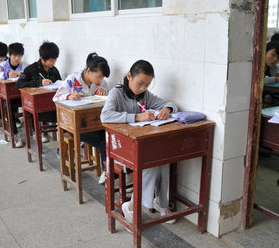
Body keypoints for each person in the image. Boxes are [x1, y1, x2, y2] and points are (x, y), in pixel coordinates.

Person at [101, 60, 177, 224]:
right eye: (140, 83)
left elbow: (168, 103)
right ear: (129, 76)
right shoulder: (116, 93)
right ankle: (132, 207)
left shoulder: (144, 96)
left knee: (163, 159)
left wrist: (167, 109)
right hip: (119, 146)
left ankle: (160, 203)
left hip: (138, 144)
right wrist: (136, 117)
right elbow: (105, 116)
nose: (142, 88)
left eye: (147, 85)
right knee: (149, 163)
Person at [54, 52, 110, 183]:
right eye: (99, 76)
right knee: (105, 140)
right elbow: (56, 97)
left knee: (108, 135)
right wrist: (68, 96)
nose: (100, 80)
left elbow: (107, 101)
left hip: (95, 123)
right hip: (75, 125)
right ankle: (107, 172)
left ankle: (106, 171)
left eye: (102, 77)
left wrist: (103, 94)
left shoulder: (102, 83)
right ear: (89, 71)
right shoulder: (73, 80)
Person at [17, 41, 62, 143]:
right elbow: (19, 84)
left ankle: (66, 139)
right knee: (37, 111)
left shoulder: (54, 70)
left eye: (55, 60)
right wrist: (39, 82)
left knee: (63, 113)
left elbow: (61, 85)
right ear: (42, 58)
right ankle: (37, 131)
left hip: (51, 104)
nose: (53, 63)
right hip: (36, 106)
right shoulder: (30, 69)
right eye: (51, 60)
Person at [0, 42, 25, 147]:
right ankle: (16, 135)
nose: (17, 58)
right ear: (9, 55)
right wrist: (5, 74)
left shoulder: (24, 66)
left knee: (31, 104)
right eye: (14, 55)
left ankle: (34, 131)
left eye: (19, 55)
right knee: (8, 108)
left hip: (20, 95)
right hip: (5, 97)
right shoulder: (2, 67)